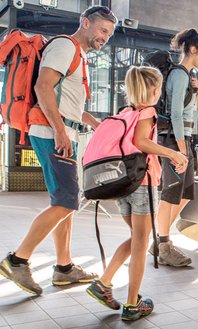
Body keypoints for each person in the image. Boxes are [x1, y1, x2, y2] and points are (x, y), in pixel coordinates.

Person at [0, 6, 117, 295]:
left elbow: (66, 100)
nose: (105, 37)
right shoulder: (66, 46)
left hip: (63, 132)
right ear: (85, 22)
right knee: (66, 200)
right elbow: (43, 87)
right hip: (53, 133)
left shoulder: (79, 56)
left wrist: (90, 121)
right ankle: (18, 260)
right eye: (102, 30)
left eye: (109, 34)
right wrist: (61, 131)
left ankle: (64, 268)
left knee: (67, 200)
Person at [86, 66, 188, 321]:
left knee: (136, 238)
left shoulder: (125, 112)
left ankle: (103, 283)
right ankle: (133, 304)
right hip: (142, 183)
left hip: (122, 184)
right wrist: (174, 153)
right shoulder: (148, 112)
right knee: (141, 244)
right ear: (156, 89)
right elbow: (142, 142)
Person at [153, 29, 198, 267]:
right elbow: (176, 114)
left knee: (186, 194)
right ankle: (164, 244)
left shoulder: (189, 77)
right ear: (193, 49)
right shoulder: (179, 75)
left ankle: (160, 240)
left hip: (183, 139)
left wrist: (197, 94)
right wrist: (180, 149)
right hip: (172, 140)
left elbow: (189, 113)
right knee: (171, 193)